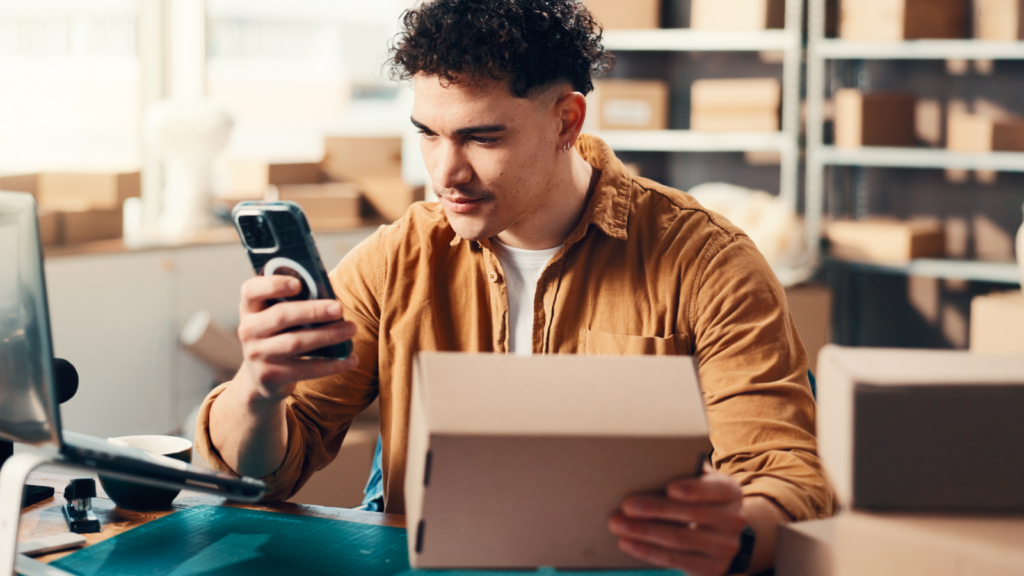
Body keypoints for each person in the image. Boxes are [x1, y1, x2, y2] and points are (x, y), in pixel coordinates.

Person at [197, 1, 835, 574]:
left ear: (566, 121)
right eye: (428, 134)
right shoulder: (398, 260)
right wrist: (260, 388)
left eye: (482, 136)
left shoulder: (708, 263)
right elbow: (262, 476)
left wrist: (739, 534)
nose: (447, 173)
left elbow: (788, 482)